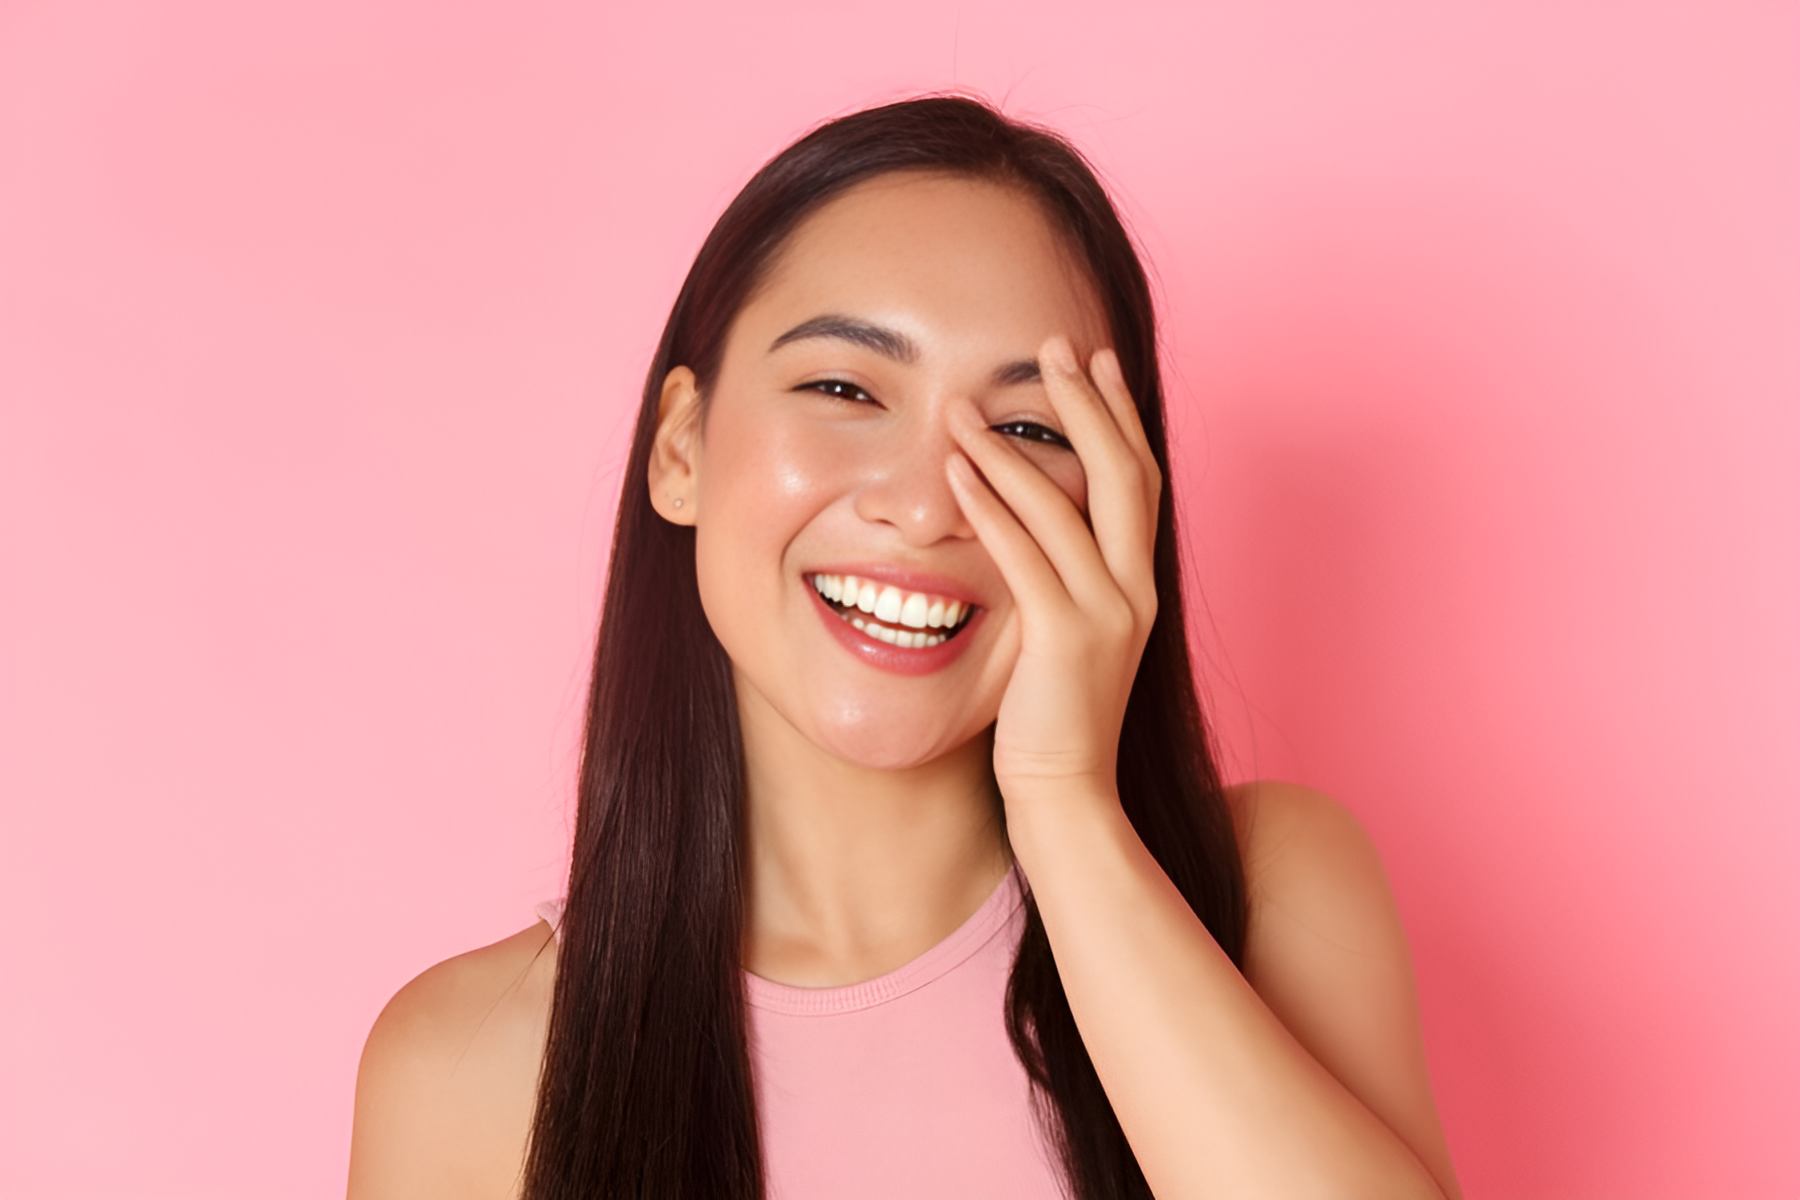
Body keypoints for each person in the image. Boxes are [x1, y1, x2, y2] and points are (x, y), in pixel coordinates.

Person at [346, 95, 1461, 1200]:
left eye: (1028, 430)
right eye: (843, 387)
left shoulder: (1262, 890)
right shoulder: (467, 1068)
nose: (930, 507)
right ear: (681, 445)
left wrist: (1066, 804)